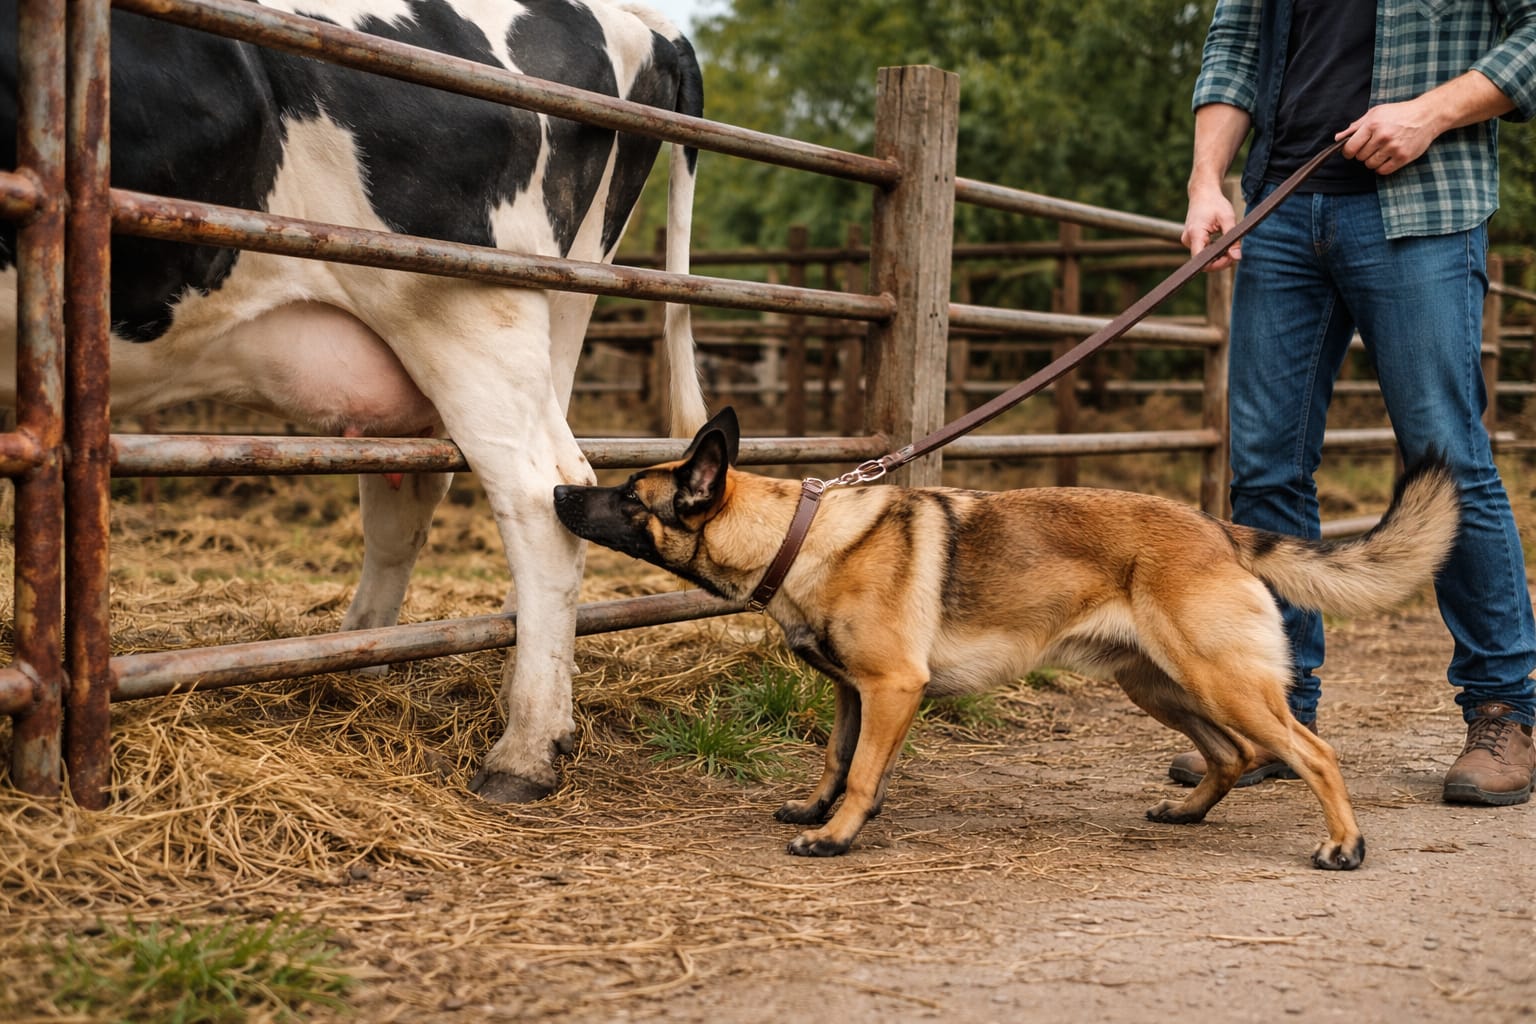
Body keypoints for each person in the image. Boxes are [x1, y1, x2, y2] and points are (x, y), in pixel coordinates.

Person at [1176, 0, 1536, 805]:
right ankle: (1276, 718)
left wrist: (1430, 113)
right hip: (1278, 207)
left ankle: (1504, 708)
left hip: (1424, 207)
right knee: (1265, 468)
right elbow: (1233, 46)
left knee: (1445, 455)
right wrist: (1208, 182)